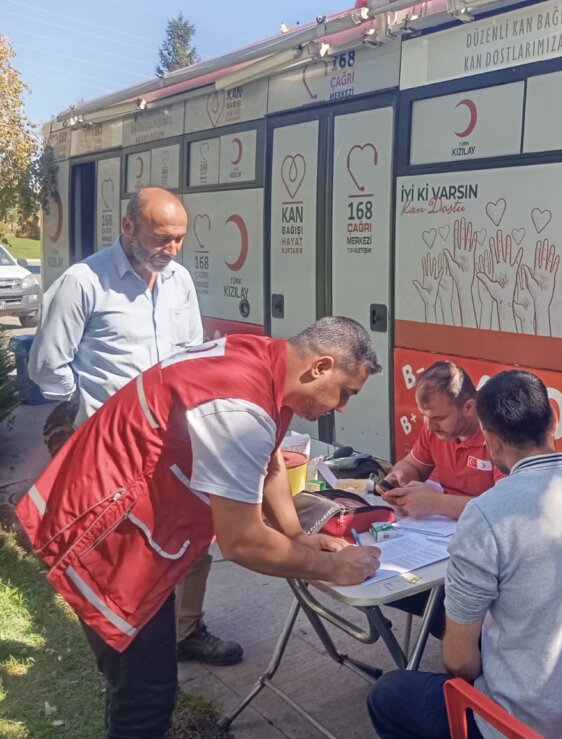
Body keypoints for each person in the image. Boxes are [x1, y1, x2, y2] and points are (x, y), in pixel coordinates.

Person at [16, 317, 383, 739]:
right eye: (345, 392)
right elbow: (243, 542)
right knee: (145, 697)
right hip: (106, 535)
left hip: (121, 521)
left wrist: (295, 535)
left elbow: (269, 460)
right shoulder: (239, 405)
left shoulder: (264, 361)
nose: (342, 407)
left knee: (141, 685)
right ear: (320, 367)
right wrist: (334, 568)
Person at [29, 187, 239, 666]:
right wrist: (86, 418)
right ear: (127, 227)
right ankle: (130, 640)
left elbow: (190, 354)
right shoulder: (84, 282)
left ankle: (186, 630)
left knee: (191, 532)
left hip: (172, 435)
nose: (172, 249)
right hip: (111, 446)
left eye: (179, 238)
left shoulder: (179, 280)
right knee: (126, 545)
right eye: (162, 238)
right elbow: (48, 366)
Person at [367, 370, 562, 739]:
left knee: (387, 695)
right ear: (553, 423)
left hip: (520, 725)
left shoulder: (487, 513)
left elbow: (459, 662)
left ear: (491, 441)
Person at [381, 361, 503, 519]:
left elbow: (502, 506)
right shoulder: (436, 429)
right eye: (425, 416)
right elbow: (414, 465)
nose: (431, 426)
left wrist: (435, 503)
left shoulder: (498, 435)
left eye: (439, 418)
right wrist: (399, 477)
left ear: (469, 407)